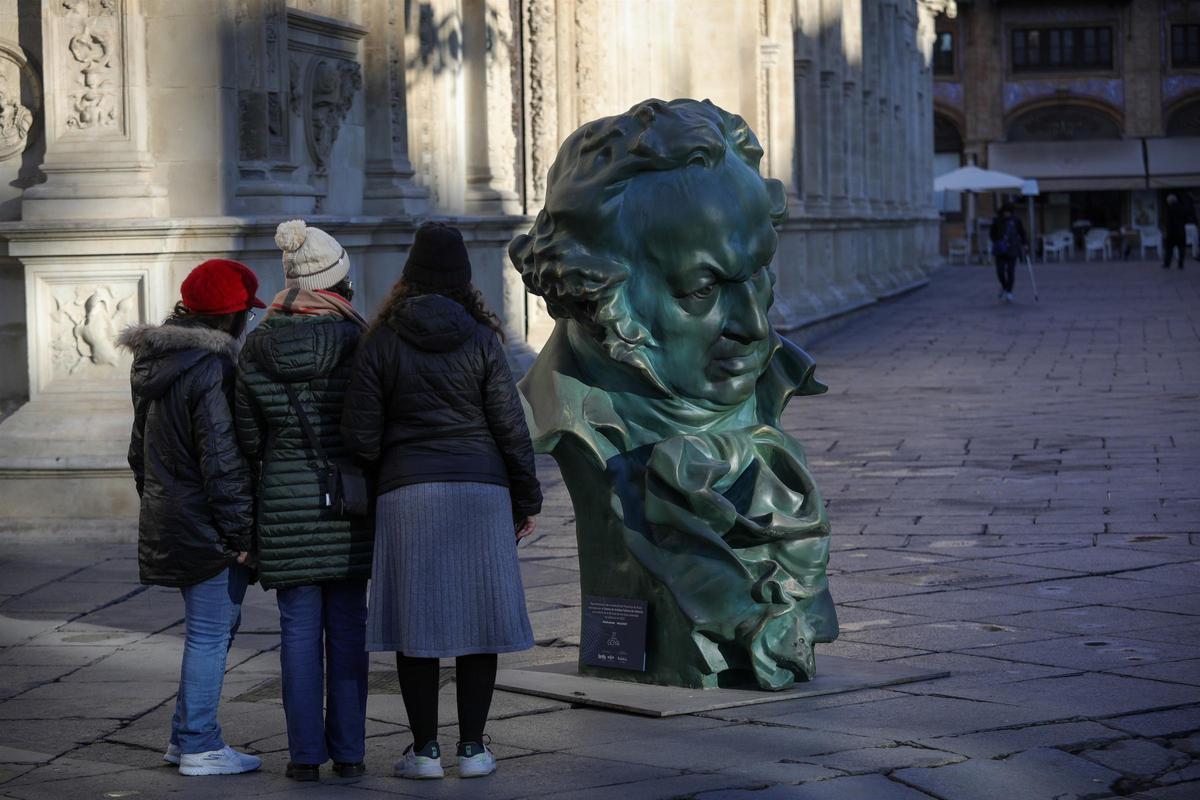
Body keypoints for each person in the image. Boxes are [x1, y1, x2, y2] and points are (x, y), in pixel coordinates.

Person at [342, 221, 541, 781]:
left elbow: (360, 436)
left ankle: (425, 751)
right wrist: (525, 498)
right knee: (480, 621)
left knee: (417, 625)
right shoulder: (482, 338)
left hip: (408, 493)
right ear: (464, 277)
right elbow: (510, 426)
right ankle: (473, 749)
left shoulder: (381, 340)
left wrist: (391, 464)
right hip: (480, 491)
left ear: (409, 273)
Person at [234, 221, 373, 782]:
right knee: (349, 629)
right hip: (349, 504)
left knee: (296, 632)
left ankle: (305, 757)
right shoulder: (360, 341)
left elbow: (249, 439)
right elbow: (371, 428)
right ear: (340, 281)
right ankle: (351, 752)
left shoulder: (257, 346)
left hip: (284, 503)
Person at [116, 259, 265, 776]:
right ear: (231, 316)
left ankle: (184, 738)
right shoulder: (213, 368)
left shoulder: (156, 362)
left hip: (172, 513)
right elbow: (223, 462)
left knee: (211, 628)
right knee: (210, 633)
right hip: (207, 522)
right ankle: (201, 744)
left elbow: (138, 452)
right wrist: (242, 536)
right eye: (246, 313)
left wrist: (159, 501)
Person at [989, 203, 1027, 303]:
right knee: (1000, 271)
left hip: (1012, 249)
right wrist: (997, 242)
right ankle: (1004, 286)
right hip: (1000, 249)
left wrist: (1025, 243)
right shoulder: (997, 220)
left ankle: (1009, 291)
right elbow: (992, 233)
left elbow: (1022, 232)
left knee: (1010, 271)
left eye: (1009, 212)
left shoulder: (1016, 220)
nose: (1007, 214)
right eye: (1005, 212)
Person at [1162, 193, 1193, 270]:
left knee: (1169, 249)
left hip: (1171, 232)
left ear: (1169, 201)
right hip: (1180, 231)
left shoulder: (1169, 209)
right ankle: (1180, 264)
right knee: (1181, 249)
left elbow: (1167, 221)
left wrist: (1166, 230)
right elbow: (1186, 219)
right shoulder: (1182, 208)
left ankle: (1167, 264)